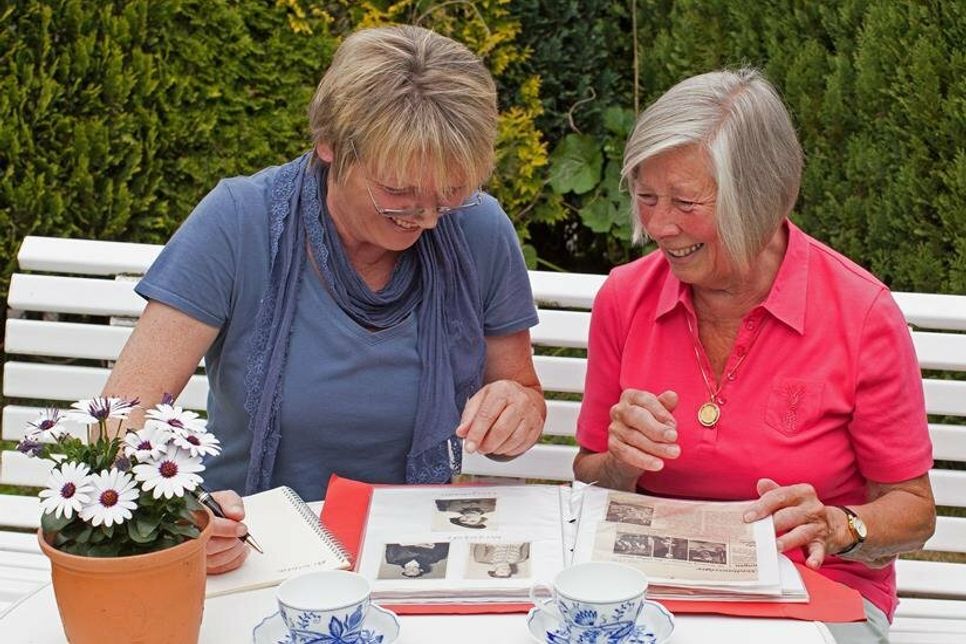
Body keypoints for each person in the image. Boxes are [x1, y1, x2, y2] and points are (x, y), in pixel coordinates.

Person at [102, 25, 546, 575]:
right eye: (400, 193)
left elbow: (520, 393)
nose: (427, 218)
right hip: (250, 549)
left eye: (448, 193)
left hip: (414, 550)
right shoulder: (240, 222)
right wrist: (183, 518)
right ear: (330, 144)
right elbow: (120, 423)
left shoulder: (477, 228)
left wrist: (516, 412)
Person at [572, 68, 935, 643]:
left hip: (816, 590)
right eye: (646, 197)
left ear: (762, 202)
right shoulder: (625, 297)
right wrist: (622, 461)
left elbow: (914, 510)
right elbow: (592, 475)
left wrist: (841, 525)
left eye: (686, 202)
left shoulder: (860, 313)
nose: (659, 226)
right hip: (650, 590)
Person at [385, 543, 450, 578]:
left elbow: (391, 543)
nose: (411, 571)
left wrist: (413, 544)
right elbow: (445, 546)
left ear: (404, 570)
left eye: (408, 572)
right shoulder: (433, 559)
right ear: (421, 570)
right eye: (414, 572)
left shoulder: (392, 559)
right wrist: (433, 546)